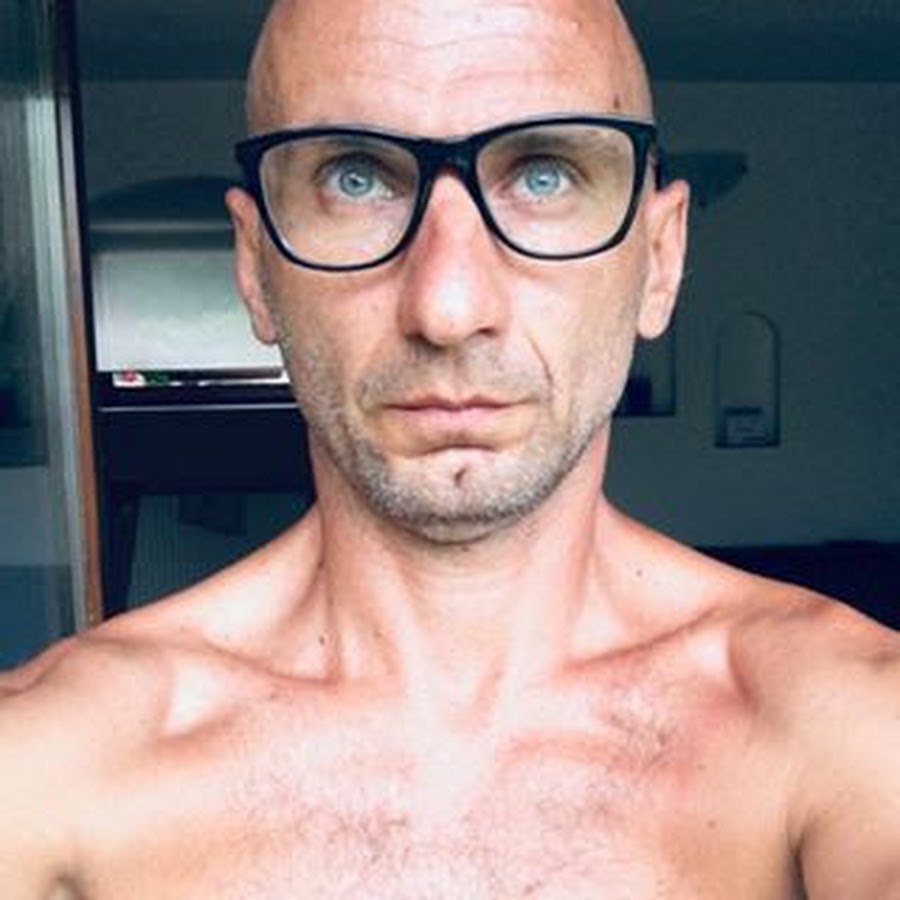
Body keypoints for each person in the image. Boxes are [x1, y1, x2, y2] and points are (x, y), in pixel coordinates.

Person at [2, 0, 898, 896]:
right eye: (357, 179)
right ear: (256, 268)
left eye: (543, 176)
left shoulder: (850, 725)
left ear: (659, 260)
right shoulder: (51, 765)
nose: (447, 308)